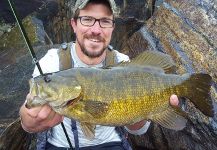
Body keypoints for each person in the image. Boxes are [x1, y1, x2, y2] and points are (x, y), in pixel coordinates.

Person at [19, 0, 180, 149]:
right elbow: (27, 123)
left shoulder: (124, 63)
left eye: (104, 21)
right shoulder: (52, 61)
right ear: (74, 24)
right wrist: (30, 119)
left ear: (112, 27)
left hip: (111, 144)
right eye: (87, 19)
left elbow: (138, 130)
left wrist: (146, 105)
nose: (96, 30)